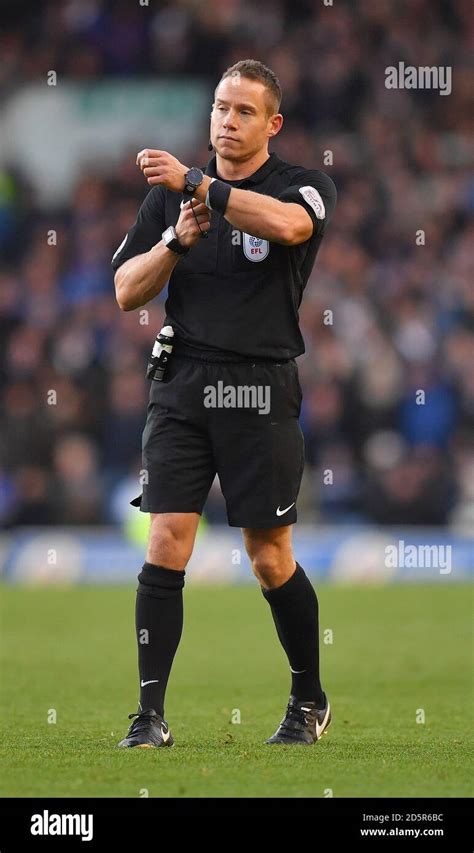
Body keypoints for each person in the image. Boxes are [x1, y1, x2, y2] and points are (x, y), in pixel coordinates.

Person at [111, 59, 336, 748]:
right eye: (219, 107)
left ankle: (307, 698)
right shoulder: (168, 201)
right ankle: (149, 715)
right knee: (167, 540)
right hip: (181, 384)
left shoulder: (304, 184)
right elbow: (125, 290)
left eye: (243, 111)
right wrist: (176, 240)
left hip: (261, 384)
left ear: (272, 124)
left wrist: (199, 183)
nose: (226, 120)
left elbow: (290, 228)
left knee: (269, 556)